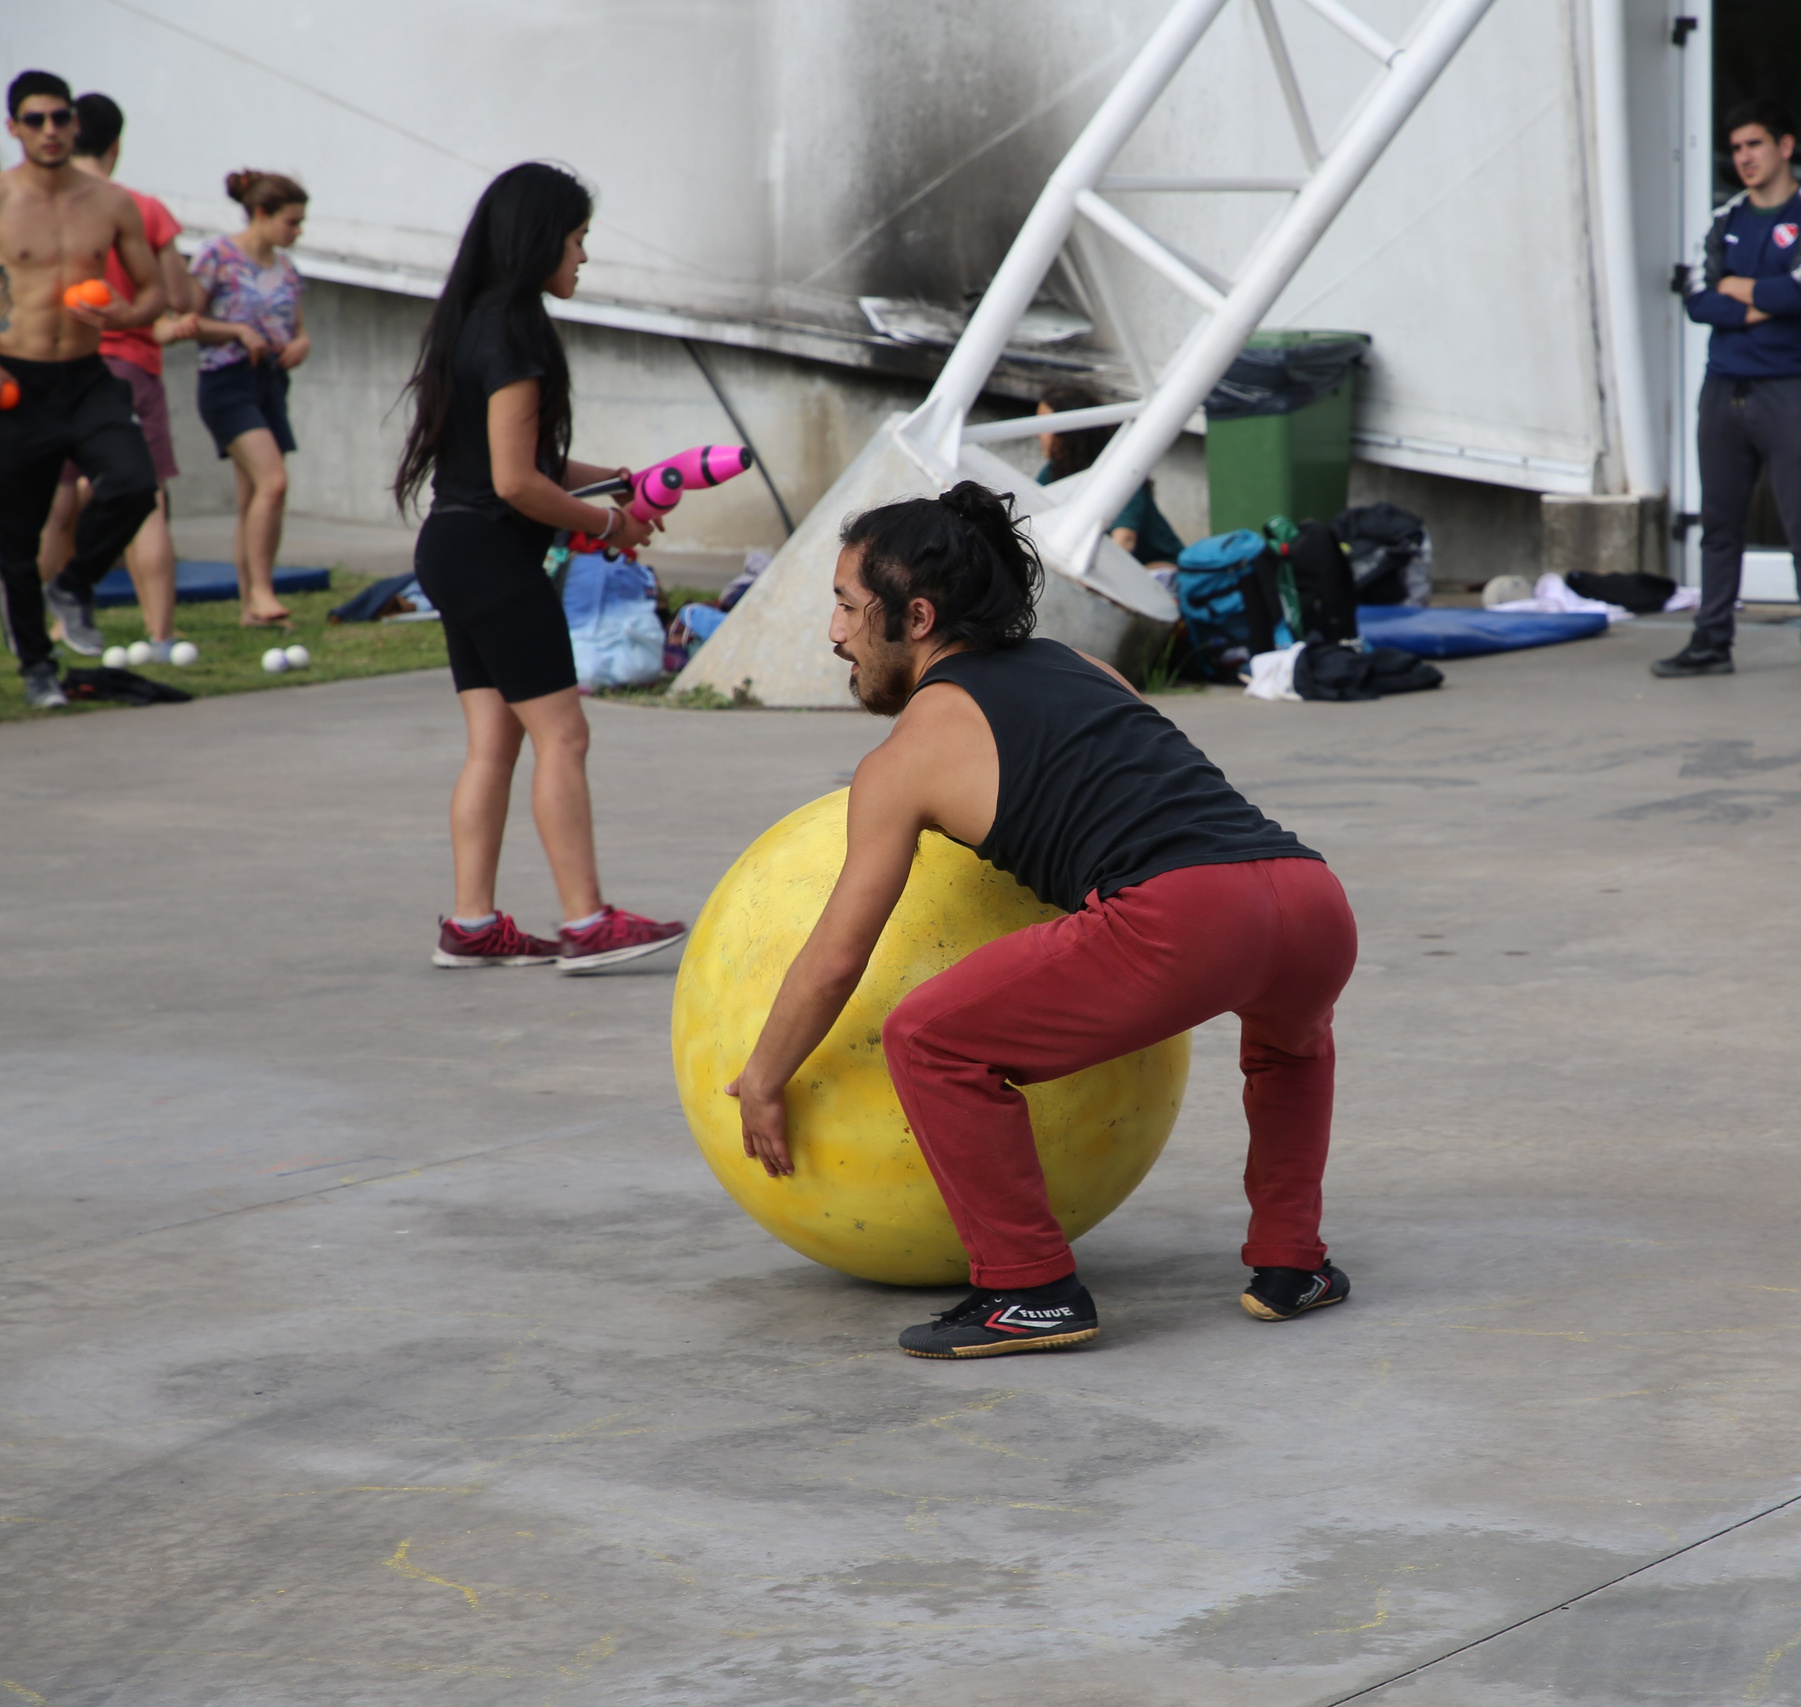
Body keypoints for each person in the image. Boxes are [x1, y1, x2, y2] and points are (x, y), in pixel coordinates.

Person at [726, 484, 1357, 1358]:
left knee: (931, 1038)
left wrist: (763, 1076)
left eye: (844, 605)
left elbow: (838, 956)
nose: (833, 631)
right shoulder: (1081, 666)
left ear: (914, 616)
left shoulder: (905, 756)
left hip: (1184, 917)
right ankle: (1295, 1266)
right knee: (1289, 1050)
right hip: (1310, 898)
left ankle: (1028, 1288)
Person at [393, 161, 689, 972]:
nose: (584, 256)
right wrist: (610, 523)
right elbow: (515, 481)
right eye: (578, 237)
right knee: (564, 734)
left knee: (494, 744)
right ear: (540, 242)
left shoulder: (473, 321)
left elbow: (523, 462)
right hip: (492, 555)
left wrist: (618, 483)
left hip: (451, 548)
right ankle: (586, 922)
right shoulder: (519, 332)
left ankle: (472, 923)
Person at [1656, 98, 1801, 683]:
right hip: (1724, 389)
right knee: (1720, 524)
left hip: (1791, 391)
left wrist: (1737, 291)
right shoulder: (1724, 219)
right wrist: (1758, 297)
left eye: (1754, 145)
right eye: (1736, 149)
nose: (1744, 158)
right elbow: (1697, 300)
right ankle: (1712, 641)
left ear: (1784, 146)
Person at [0, 70, 166, 710]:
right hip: (16, 379)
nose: (51, 130)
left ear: (75, 124)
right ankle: (38, 666)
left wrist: (128, 315)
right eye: (36, 119)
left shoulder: (112, 203)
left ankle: (73, 585)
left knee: (133, 484)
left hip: (87, 376)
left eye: (61, 118)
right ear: (14, 127)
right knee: (15, 539)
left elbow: (154, 293)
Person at [36, 91, 197, 661]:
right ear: (117, 143)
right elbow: (177, 296)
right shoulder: (140, 207)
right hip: (123, 366)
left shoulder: (33, 203)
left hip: (50, 371)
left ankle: (53, 628)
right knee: (143, 497)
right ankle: (159, 634)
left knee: (58, 499)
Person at [191, 168, 309, 629]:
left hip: (271, 383)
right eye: (291, 222)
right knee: (273, 482)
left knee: (254, 496)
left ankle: (251, 607)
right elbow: (185, 320)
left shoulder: (287, 270)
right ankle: (263, 591)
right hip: (226, 381)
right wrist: (237, 330)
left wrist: (301, 344)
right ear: (262, 213)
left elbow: (299, 330)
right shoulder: (216, 257)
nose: (297, 232)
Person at [1032, 382, 1187, 569]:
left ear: (1070, 432)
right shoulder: (1054, 471)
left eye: (1045, 424)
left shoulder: (1118, 474)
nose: (1038, 434)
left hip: (1159, 571)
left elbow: (1124, 541)